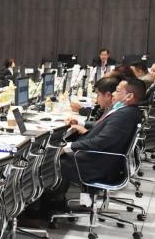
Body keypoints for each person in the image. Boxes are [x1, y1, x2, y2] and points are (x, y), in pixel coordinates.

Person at [51, 77, 144, 205]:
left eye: (117, 91)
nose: (113, 94)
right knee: (58, 150)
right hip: (104, 159)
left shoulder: (123, 115)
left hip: (97, 165)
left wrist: (67, 147)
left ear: (129, 96)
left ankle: (52, 205)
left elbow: (100, 142)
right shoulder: (128, 111)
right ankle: (66, 200)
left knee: (50, 160)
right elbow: (105, 127)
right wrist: (81, 123)